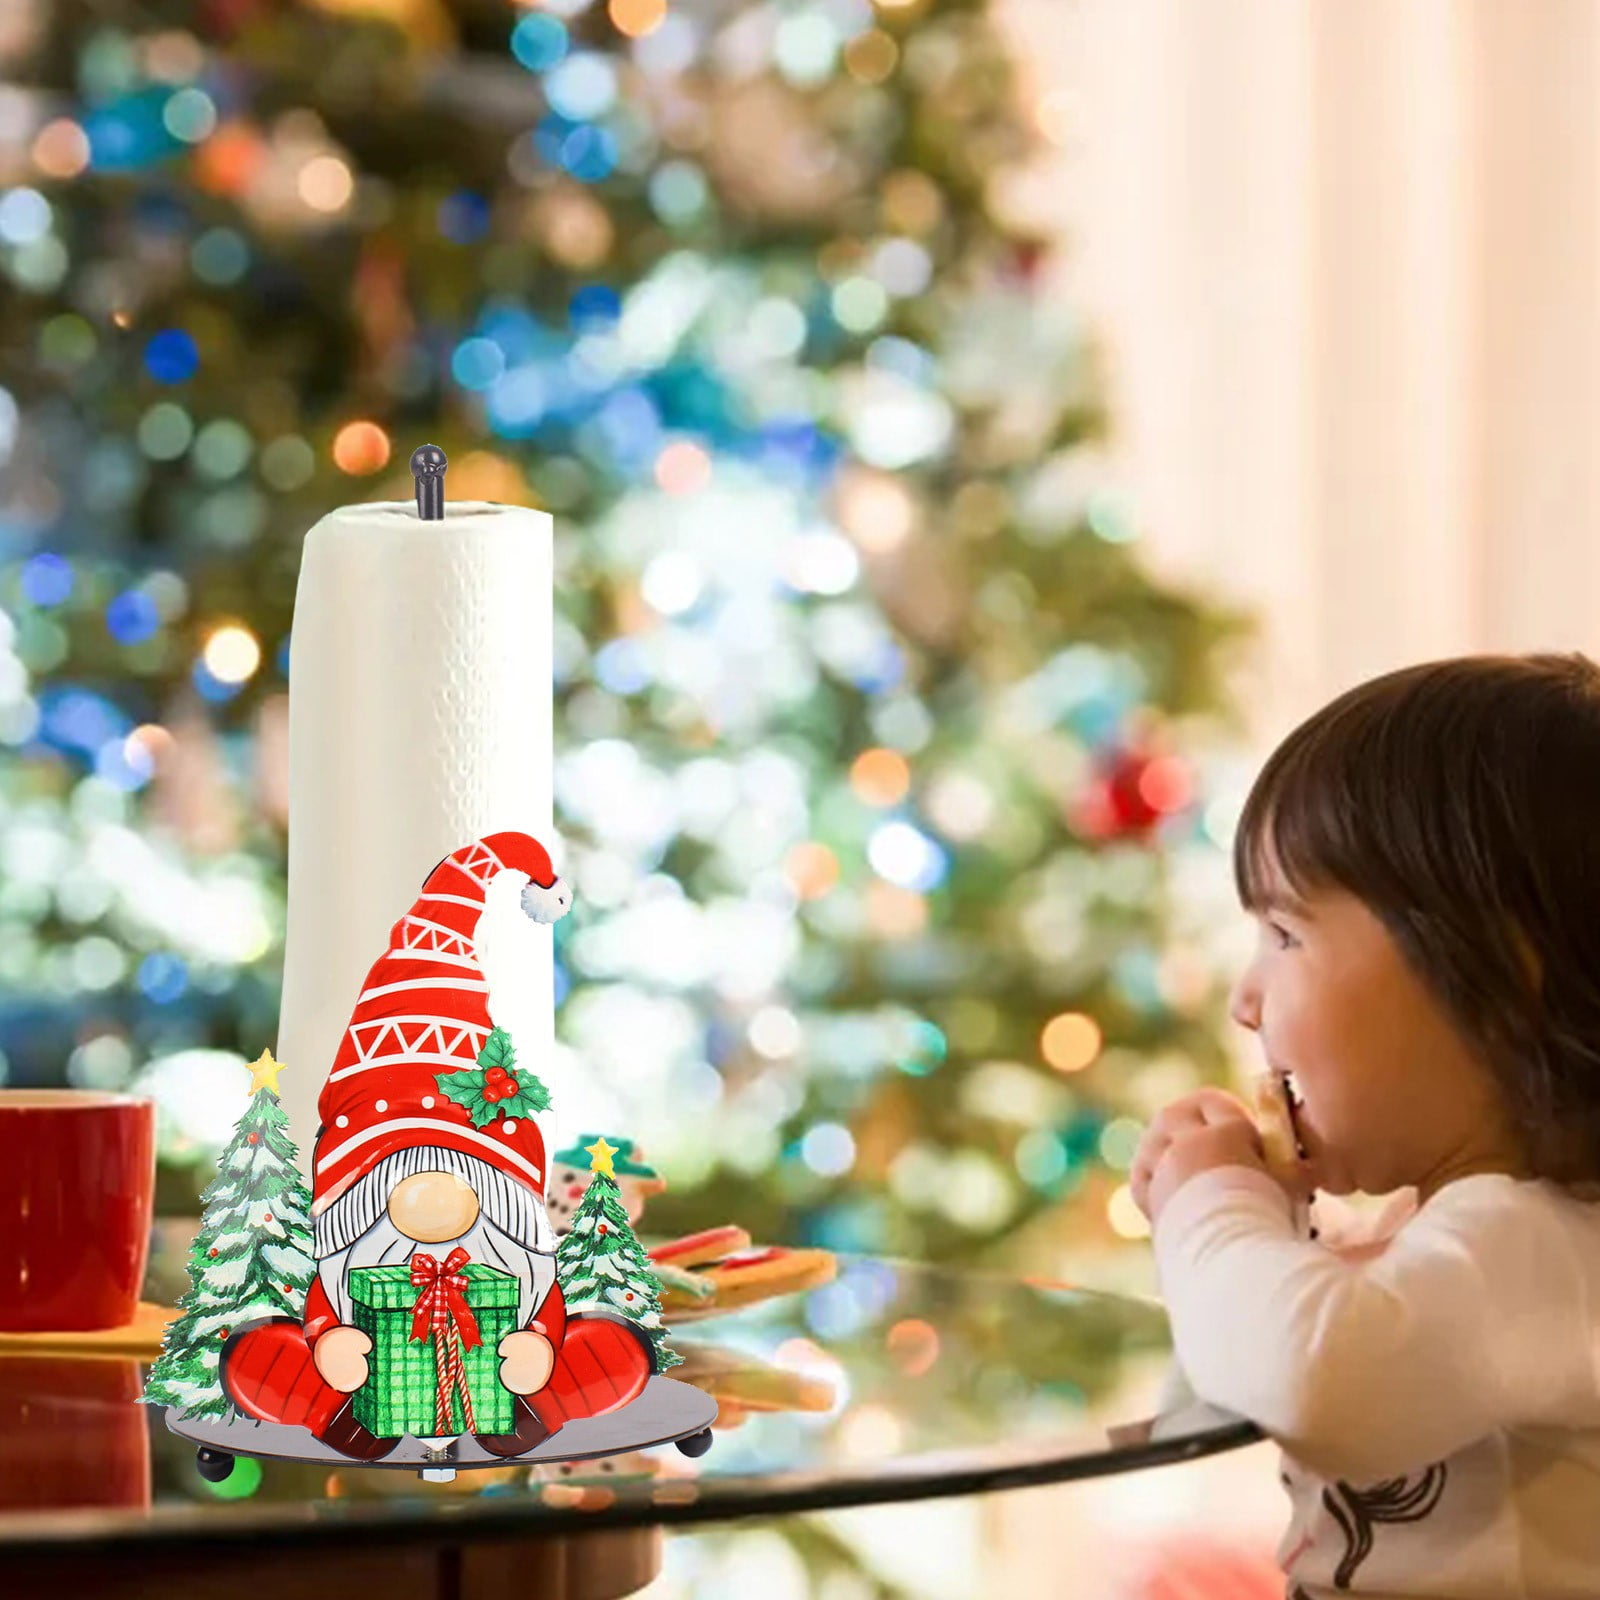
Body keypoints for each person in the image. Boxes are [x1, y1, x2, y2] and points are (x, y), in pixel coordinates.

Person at [1129, 653, 1600, 1597]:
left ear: (1499, 979)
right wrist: (1266, 1231)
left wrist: (1214, 1205)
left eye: (1286, 935)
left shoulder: (1545, 1248)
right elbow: (1214, 1396)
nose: (1244, 1000)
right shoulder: (1423, 1240)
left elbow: (1313, 1385)